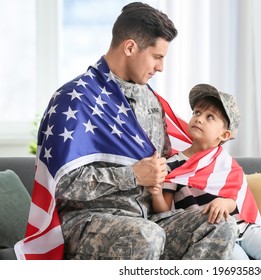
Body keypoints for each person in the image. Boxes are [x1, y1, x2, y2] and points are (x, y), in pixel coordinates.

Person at [14, 2, 238, 260]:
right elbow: (62, 186)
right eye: (157, 57)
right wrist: (131, 176)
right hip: (87, 222)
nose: (161, 67)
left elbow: (162, 170)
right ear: (130, 47)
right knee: (146, 235)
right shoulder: (74, 100)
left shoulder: (152, 103)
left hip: (149, 220)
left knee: (221, 225)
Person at [150, 83, 261, 260]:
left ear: (224, 135)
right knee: (240, 262)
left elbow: (233, 200)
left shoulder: (226, 164)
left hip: (244, 227)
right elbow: (165, 211)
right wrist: (156, 194)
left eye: (210, 117)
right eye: (197, 113)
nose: (199, 119)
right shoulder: (172, 164)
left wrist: (224, 203)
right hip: (214, 233)